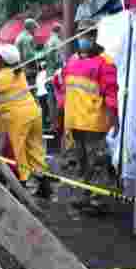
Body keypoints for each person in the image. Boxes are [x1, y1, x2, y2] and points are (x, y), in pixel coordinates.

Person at [0, 43, 53, 199]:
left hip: (17, 118)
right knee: (35, 150)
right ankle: (44, 186)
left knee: (15, 152)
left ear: (2, 60)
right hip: (33, 113)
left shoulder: (1, 78)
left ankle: (18, 190)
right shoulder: (15, 70)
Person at [56, 18, 118, 212]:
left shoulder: (105, 62)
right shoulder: (72, 61)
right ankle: (84, 194)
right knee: (81, 161)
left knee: (96, 161)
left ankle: (96, 199)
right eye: (82, 34)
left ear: (95, 36)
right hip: (75, 121)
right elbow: (64, 87)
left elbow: (111, 92)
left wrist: (114, 118)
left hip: (94, 122)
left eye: (89, 34)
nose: (85, 38)